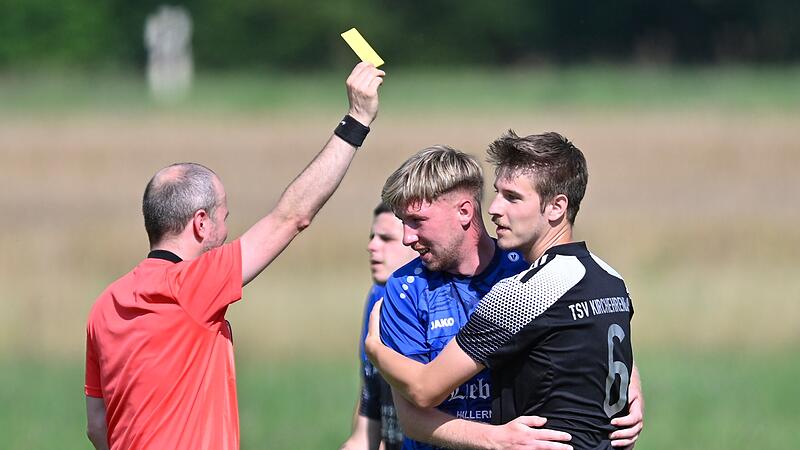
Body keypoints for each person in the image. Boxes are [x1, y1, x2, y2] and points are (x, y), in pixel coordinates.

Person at [84, 62, 385, 450]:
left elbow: (96, 424)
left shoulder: (105, 305)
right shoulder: (190, 286)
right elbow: (292, 217)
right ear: (201, 224)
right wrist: (357, 119)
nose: (227, 231)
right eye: (225, 218)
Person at [366, 131, 642, 449]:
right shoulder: (609, 277)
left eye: (512, 197)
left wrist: (376, 350)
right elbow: (412, 417)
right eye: (497, 194)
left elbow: (423, 389)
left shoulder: (523, 287)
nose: (494, 207)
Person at [340, 203, 418, 450]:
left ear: (416, 243)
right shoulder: (376, 300)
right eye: (372, 237)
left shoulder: (437, 306)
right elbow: (365, 433)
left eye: (386, 238)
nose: (371, 246)